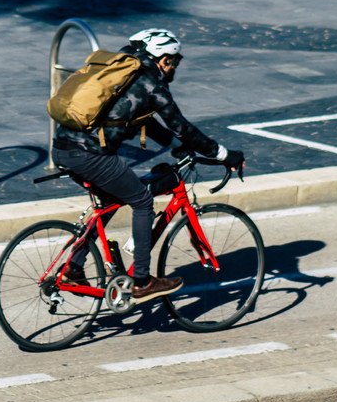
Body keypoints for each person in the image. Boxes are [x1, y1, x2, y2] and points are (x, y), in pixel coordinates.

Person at [51, 28, 245, 302]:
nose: (174, 67)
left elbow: (142, 119)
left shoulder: (123, 72)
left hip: (62, 149)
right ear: (164, 59)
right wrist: (225, 154)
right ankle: (142, 281)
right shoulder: (151, 82)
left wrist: (175, 145)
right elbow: (183, 127)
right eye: (174, 61)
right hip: (90, 155)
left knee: (110, 199)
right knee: (141, 201)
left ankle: (74, 266)